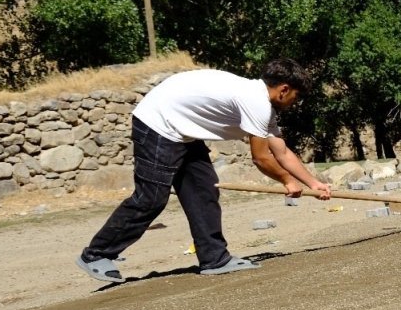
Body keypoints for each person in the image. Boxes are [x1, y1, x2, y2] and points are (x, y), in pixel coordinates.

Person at [76, 58, 332, 283]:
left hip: (183, 131)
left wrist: (313, 183)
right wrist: (287, 182)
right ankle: (96, 254)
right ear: (284, 89)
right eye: (295, 97)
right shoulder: (256, 102)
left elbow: (282, 151)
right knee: (151, 197)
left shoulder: (262, 104)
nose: (295, 103)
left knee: (203, 189)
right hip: (158, 124)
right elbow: (261, 157)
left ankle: (214, 258)